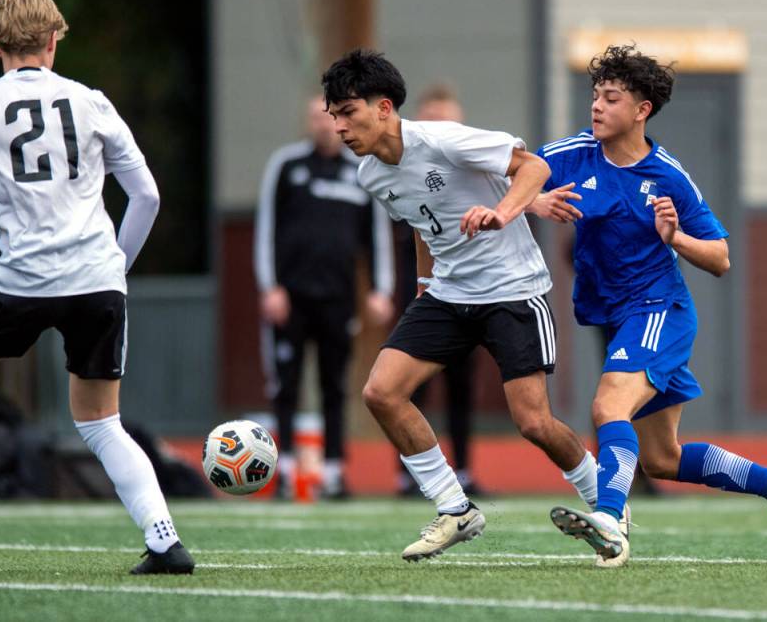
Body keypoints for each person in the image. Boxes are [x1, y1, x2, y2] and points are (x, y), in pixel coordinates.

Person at [0, 0, 192, 574]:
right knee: (101, 422)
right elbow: (146, 196)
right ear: (54, 40)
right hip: (97, 282)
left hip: (22, 284)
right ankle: (164, 539)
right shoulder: (92, 101)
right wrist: (115, 268)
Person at [531, 44, 767, 567]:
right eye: (595, 95)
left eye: (611, 98)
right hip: (618, 315)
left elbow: (722, 258)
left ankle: (610, 521)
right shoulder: (571, 153)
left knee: (607, 408)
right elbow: (515, 172)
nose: (596, 106)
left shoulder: (669, 177)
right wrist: (534, 200)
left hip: (659, 308)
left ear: (642, 110)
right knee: (662, 457)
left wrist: (676, 237)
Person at [321, 49, 598, 561]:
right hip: (448, 294)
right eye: (332, 114)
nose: (338, 125)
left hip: (512, 289)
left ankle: (606, 501)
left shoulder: (442, 139)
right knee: (382, 392)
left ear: (384, 107)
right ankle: (455, 508)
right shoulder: (370, 174)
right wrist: (426, 282)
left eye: (347, 111)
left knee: (533, 422)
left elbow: (533, 167)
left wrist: (504, 212)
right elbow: (422, 226)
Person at [254, 96, 395, 500]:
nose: (324, 124)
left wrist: (381, 291)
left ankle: (333, 473)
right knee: (286, 385)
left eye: (331, 117)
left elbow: (376, 240)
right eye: (317, 116)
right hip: (291, 301)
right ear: (308, 122)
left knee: (334, 385)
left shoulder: (361, 172)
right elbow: (266, 229)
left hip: (338, 301)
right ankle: (286, 472)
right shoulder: (286, 165)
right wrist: (271, 287)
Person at [393, 83, 487, 497]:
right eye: (431, 120)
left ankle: (464, 470)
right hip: (420, 287)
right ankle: (409, 473)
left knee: (462, 382)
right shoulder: (394, 168)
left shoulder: (473, 168)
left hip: (472, 287)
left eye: (446, 121)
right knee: (407, 383)